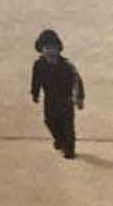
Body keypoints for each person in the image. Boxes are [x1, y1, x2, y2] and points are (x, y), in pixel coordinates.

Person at [30, 28, 85, 159]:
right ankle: (60, 140)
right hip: (50, 100)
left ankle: (69, 149)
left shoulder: (67, 66)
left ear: (59, 49)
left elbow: (77, 81)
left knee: (68, 126)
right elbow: (35, 80)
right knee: (50, 121)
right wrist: (35, 93)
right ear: (41, 49)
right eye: (47, 48)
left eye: (53, 48)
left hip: (66, 101)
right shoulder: (39, 65)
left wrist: (79, 98)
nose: (50, 51)